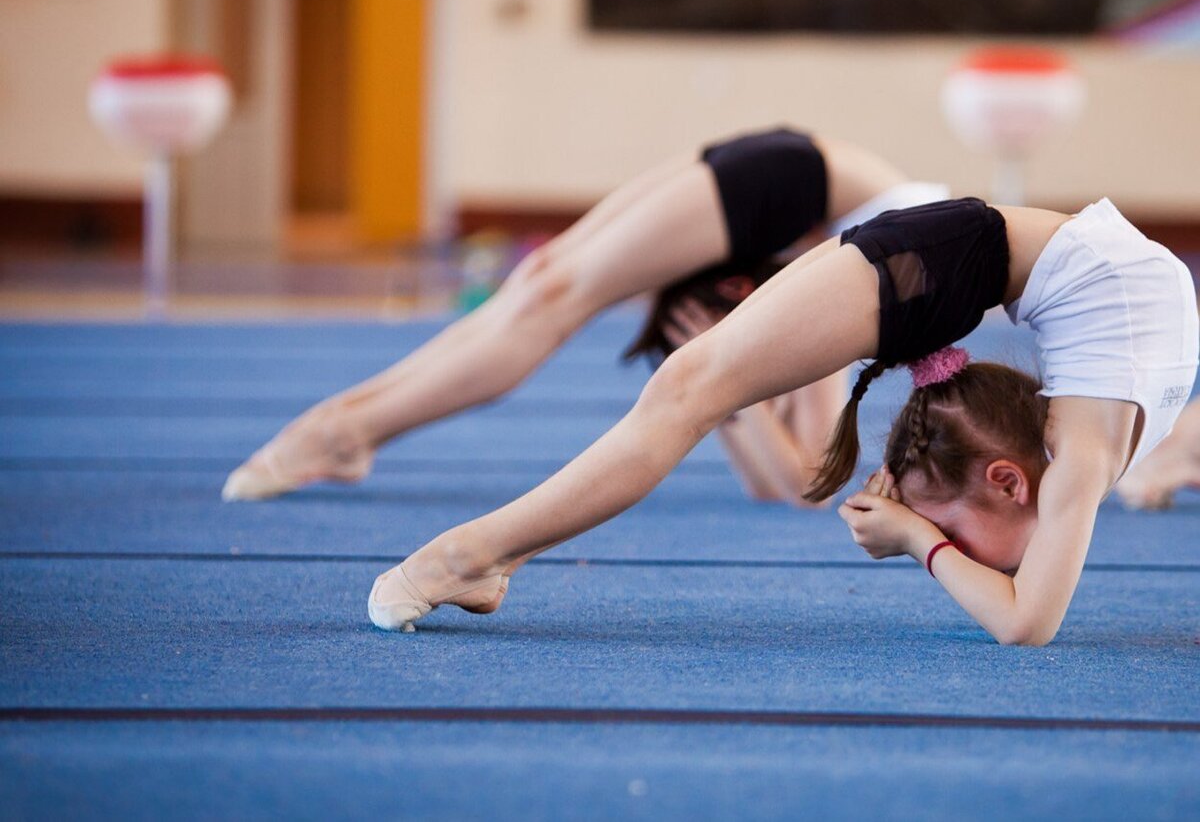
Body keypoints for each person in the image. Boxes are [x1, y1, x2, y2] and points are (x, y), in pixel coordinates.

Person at [368, 196, 1198, 646]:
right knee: (688, 389)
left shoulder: (1101, 435)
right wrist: (918, 538)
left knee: (691, 387)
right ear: (1008, 478)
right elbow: (1026, 621)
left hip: (978, 256)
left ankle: (481, 554)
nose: (983, 563)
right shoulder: (1081, 458)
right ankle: (465, 556)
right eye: (966, 535)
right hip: (954, 255)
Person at [222, 128, 947, 503]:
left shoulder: (859, 313)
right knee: (551, 299)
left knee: (541, 283)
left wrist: (741, 401)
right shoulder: (850, 325)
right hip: (800, 186)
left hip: (802, 175)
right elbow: (807, 482)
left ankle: (347, 424)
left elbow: (787, 482)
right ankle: (347, 432)